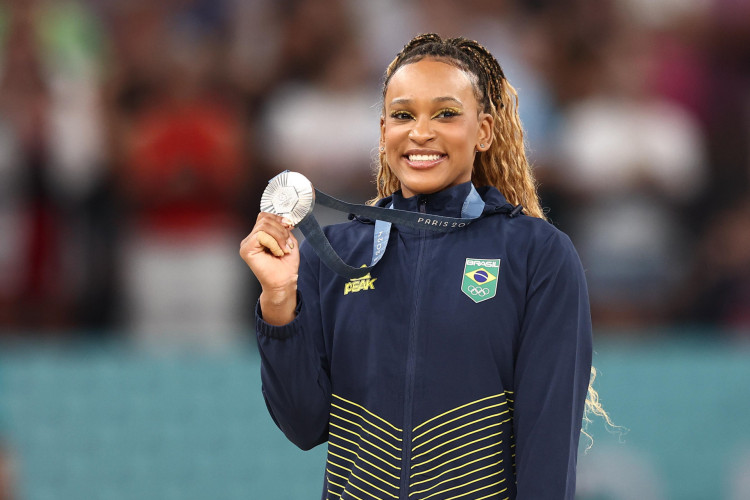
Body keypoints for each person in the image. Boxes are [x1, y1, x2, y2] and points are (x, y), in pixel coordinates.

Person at [241, 33, 600, 499]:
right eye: (403, 115)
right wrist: (278, 301)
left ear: (485, 130)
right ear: (384, 131)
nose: (421, 132)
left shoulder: (536, 254)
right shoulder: (332, 255)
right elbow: (303, 425)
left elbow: (548, 443)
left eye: (446, 113)